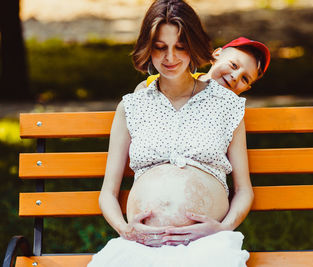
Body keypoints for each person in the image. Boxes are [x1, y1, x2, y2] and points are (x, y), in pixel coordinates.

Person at [88, 0, 254, 266]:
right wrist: (125, 230)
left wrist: (223, 229)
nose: (170, 58)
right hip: (140, 244)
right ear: (147, 47)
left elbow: (244, 190)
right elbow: (108, 193)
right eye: (160, 47)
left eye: (180, 47)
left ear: (194, 47)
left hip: (206, 244)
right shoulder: (132, 106)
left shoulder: (227, 105)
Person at [136, 36, 271, 96]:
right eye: (234, 65)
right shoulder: (180, 80)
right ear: (216, 55)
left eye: (245, 79)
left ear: (246, 88)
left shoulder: (229, 109)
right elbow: (145, 87)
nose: (235, 77)